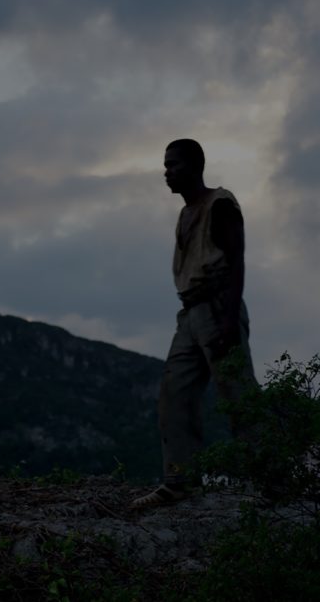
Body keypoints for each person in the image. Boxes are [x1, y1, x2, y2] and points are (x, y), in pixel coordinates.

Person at [131, 138, 258, 509]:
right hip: (190, 311)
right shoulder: (186, 213)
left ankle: (274, 482)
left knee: (239, 397)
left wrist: (230, 321)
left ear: (195, 166)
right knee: (175, 393)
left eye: (173, 165)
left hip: (219, 305)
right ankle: (180, 481)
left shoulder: (220, 203)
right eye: (165, 165)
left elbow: (237, 262)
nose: (166, 172)